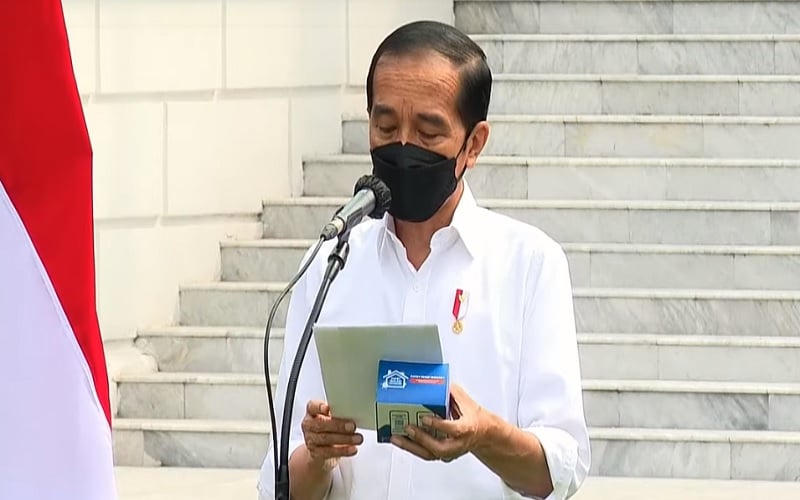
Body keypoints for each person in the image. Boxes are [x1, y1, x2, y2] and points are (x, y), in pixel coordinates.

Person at [258, 20, 590, 500]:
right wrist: (317, 452)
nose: (404, 146)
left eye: (429, 131)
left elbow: (560, 469)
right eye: (386, 126)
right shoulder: (331, 262)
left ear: (473, 144)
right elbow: (283, 486)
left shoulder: (529, 264)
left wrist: (483, 436)